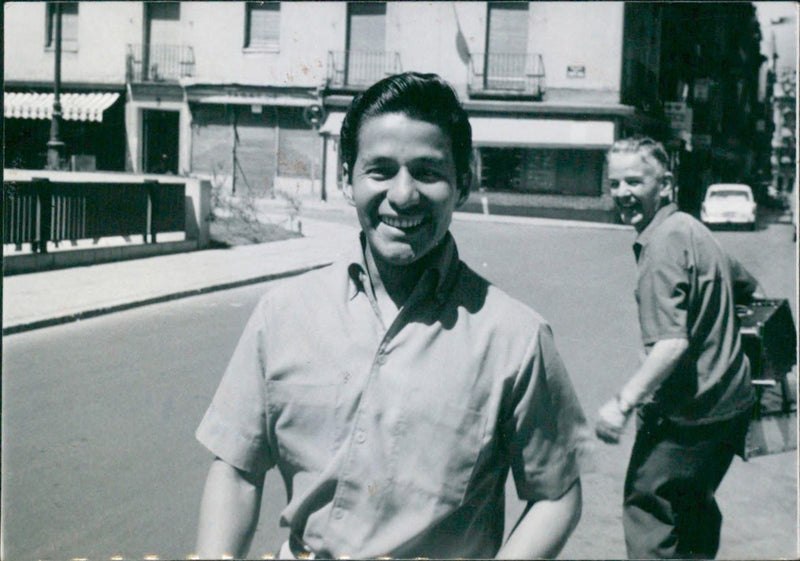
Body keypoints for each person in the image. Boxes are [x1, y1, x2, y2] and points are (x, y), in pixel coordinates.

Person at [195, 72, 587, 559]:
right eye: (380, 170)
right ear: (347, 179)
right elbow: (235, 470)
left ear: (463, 182)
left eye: (427, 172)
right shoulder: (284, 313)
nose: (403, 195)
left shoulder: (517, 338)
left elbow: (556, 495)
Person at [596, 136, 762, 559]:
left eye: (634, 182)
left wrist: (621, 403)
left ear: (666, 184)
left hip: (691, 415)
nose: (622, 194)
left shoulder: (661, 246)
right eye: (615, 183)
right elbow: (746, 286)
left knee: (649, 509)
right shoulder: (691, 228)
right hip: (732, 404)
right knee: (693, 507)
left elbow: (670, 344)